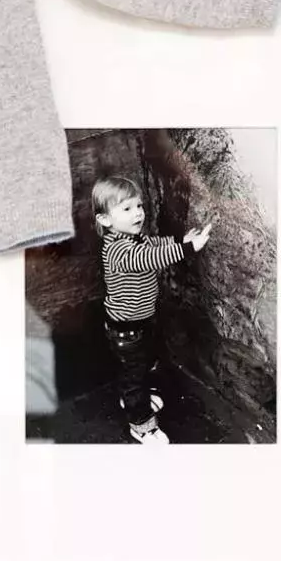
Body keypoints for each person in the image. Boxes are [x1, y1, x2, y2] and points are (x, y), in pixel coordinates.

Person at [92, 176, 212, 444]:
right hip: (125, 330)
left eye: (139, 206)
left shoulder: (133, 238)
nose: (138, 213)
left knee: (145, 363)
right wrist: (187, 248)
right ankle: (142, 425)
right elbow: (148, 258)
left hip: (142, 321)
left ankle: (137, 399)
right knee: (134, 375)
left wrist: (180, 239)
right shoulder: (116, 250)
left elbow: (154, 245)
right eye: (127, 208)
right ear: (105, 220)